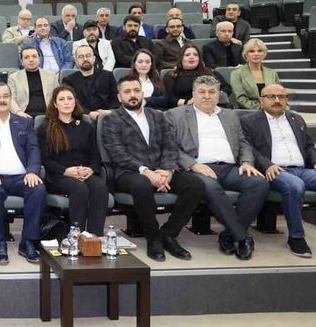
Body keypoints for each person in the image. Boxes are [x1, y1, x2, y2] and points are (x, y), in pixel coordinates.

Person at [166, 75, 269, 260]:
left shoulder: (230, 115)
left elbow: (243, 142)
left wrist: (247, 162)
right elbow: (170, 146)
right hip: (199, 168)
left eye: (212, 92)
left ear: (218, 94)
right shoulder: (175, 114)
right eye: (202, 92)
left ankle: (229, 234)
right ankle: (242, 237)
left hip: (230, 168)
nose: (207, 96)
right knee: (210, 187)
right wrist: (194, 165)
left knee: (259, 184)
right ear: (193, 94)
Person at [102, 76, 204, 261]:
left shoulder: (158, 116)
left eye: (136, 90)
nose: (132, 95)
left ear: (142, 93)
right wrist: (146, 172)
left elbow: (170, 146)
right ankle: (153, 237)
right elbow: (117, 153)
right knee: (141, 184)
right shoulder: (111, 119)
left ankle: (169, 234)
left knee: (195, 184)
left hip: (161, 170)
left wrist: (168, 171)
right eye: (127, 92)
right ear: (119, 96)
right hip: (129, 173)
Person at [0, 82, 46, 263]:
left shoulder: (24, 122)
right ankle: (0, 242)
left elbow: (33, 149)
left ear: (11, 98)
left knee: (38, 189)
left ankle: (28, 241)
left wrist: (32, 171)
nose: (2, 100)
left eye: (5, 96)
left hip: (22, 177)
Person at [241, 84, 316, 258]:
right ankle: (296, 238)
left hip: (302, 169)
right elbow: (248, 148)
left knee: (299, 181)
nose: (277, 100)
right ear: (261, 100)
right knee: (295, 186)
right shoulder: (249, 121)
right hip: (274, 170)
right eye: (271, 96)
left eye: (282, 97)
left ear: (286, 100)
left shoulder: (296, 119)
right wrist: (267, 164)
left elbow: (308, 146)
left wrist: (314, 161)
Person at [36, 85, 108, 237]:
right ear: (55, 104)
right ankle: (77, 236)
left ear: (75, 102)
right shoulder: (46, 128)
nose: (66, 102)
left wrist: (91, 169)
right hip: (58, 175)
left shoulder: (86, 126)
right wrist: (65, 171)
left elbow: (95, 155)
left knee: (100, 187)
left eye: (69, 98)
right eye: (62, 99)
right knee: (79, 188)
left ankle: (94, 237)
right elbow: (43, 158)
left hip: (83, 172)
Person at [163, 44, 230, 108]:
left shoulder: (210, 72)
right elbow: (169, 98)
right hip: (185, 108)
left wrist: (213, 95)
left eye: (195, 55)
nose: (192, 57)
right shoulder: (172, 75)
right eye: (187, 55)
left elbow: (226, 88)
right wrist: (188, 102)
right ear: (181, 58)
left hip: (212, 106)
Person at [63, 45, 118, 120]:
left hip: (108, 117)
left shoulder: (108, 76)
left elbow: (115, 99)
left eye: (88, 56)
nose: (85, 59)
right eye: (81, 57)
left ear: (94, 58)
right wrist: (88, 113)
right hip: (82, 118)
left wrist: (109, 112)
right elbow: (71, 103)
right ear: (76, 61)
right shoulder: (69, 81)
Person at [7, 47, 57, 118]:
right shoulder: (14, 78)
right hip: (23, 115)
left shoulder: (51, 75)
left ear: (39, 59)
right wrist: (19, 112)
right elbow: (11, 99)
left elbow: (58, 96)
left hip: (48, 115)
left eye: (34, 56)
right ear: (22, 62)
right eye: (26, 57)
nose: (31, 60)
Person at [230, 38, 279, 110]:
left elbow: (280, 95)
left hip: (273, 109)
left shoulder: (272, 73)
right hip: (250, 111)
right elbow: (241, 99)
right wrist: (264, 108)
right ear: (246, 54)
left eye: (260, 51)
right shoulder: (236, 74)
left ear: (264, 53)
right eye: (252, 51)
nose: (256, 54)